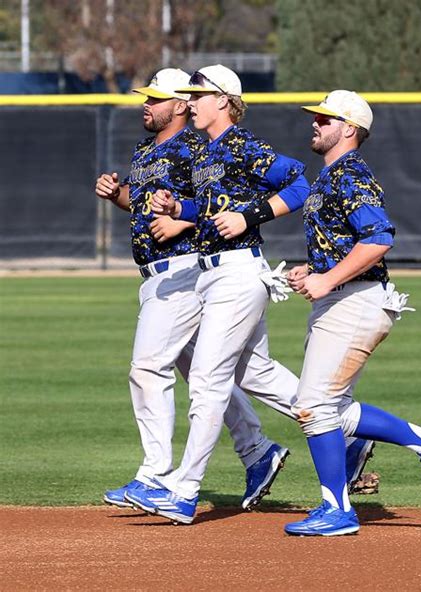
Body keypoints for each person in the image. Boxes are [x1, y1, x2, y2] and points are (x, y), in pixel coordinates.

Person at [126, 66, 376, 525]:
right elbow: (213, 207)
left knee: (206, 378)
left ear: (223, 100)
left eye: (197, 94)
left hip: (238, 272)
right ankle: (348, 434)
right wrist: (180, 209)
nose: (190, 102)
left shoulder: (243, 145)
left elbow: (298, 181)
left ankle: (182, 491)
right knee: (251, 371)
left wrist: (251, 216)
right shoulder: (205, 151)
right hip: (208, 273)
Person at [95, 68, 293, 511]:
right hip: (163, 274)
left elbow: (219, 198)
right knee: (225, 372)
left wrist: (185, 218)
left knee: (152, 367)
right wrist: (119, 195)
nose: (145, 104)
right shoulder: (148, 148)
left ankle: (157, 474)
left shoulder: (197, 147)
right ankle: (261, 449)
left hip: (188, 270)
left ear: (182, 104)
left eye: (156, 98)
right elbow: (149, 204)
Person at [282, 90, 421, 536]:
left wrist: (326, 280)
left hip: (355, 300)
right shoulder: (330, 176)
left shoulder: (350, 175)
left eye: (325, 119)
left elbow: (379, 237)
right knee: (332, 407)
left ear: (349, 129)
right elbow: (347, 243)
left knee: (312, 406)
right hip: (345, 296)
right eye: (317, 118)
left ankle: (337, 509)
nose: (316, 124)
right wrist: (316, 270)